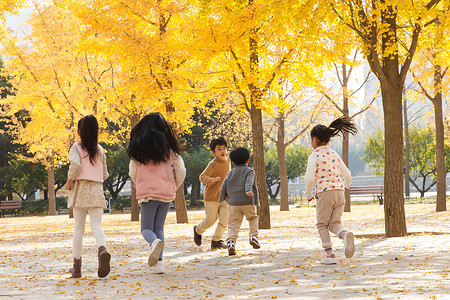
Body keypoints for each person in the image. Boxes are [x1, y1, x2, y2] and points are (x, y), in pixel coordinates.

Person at [127, 112, 186, 274]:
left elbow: (132, 172)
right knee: (159, 227)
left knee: (146, 229)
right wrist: (173, 186)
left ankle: (153, 244)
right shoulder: (170, 151)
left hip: (148, 194)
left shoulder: (139, 152)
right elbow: (181, 171)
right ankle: (159, 264)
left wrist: (138, 183)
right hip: (166, 193)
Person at [304, 116, 357, 265]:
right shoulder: (334, 154)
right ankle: (345, 235)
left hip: (325, 193)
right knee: (334, 223)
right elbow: (347, 173)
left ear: (314, 139)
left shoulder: (314, 155)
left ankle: (329, 255)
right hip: (340, 192)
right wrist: (345, 186)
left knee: (322, 224)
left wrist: (308, 194)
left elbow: (309, 178)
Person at [65, 115, 111, 278]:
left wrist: (69, 181)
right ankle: (102, 250)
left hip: (81, 188)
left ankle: (76, 268)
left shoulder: (76, 147)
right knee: (96, 226)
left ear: (79, 131)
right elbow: (105, 174)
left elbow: (76, 164)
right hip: (97, 188)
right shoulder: (100, 149)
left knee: (79, 229)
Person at [219, 147, 260, 256]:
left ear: (233, 162)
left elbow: (224, 185)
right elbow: (249, 181)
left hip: (233, 203)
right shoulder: (249, 171)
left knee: (233, 224)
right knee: (252, 218)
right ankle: (253, 236)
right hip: (247, 201)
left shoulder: (231, 172)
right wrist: (248, 190)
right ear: (248, 160)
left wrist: (221, 198)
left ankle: (231, 242)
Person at [193, 137, 231, 250]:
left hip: (225, 197)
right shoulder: (212, 164)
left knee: (225, 220)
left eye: (224, 148)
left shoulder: (228, 161)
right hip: (212, 197)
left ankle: (216, 240)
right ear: (213, 152)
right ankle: (197, 230)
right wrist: (212, 180)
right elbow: (202, 177)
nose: (223, 151)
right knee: (211, 220)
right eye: (219, 149)